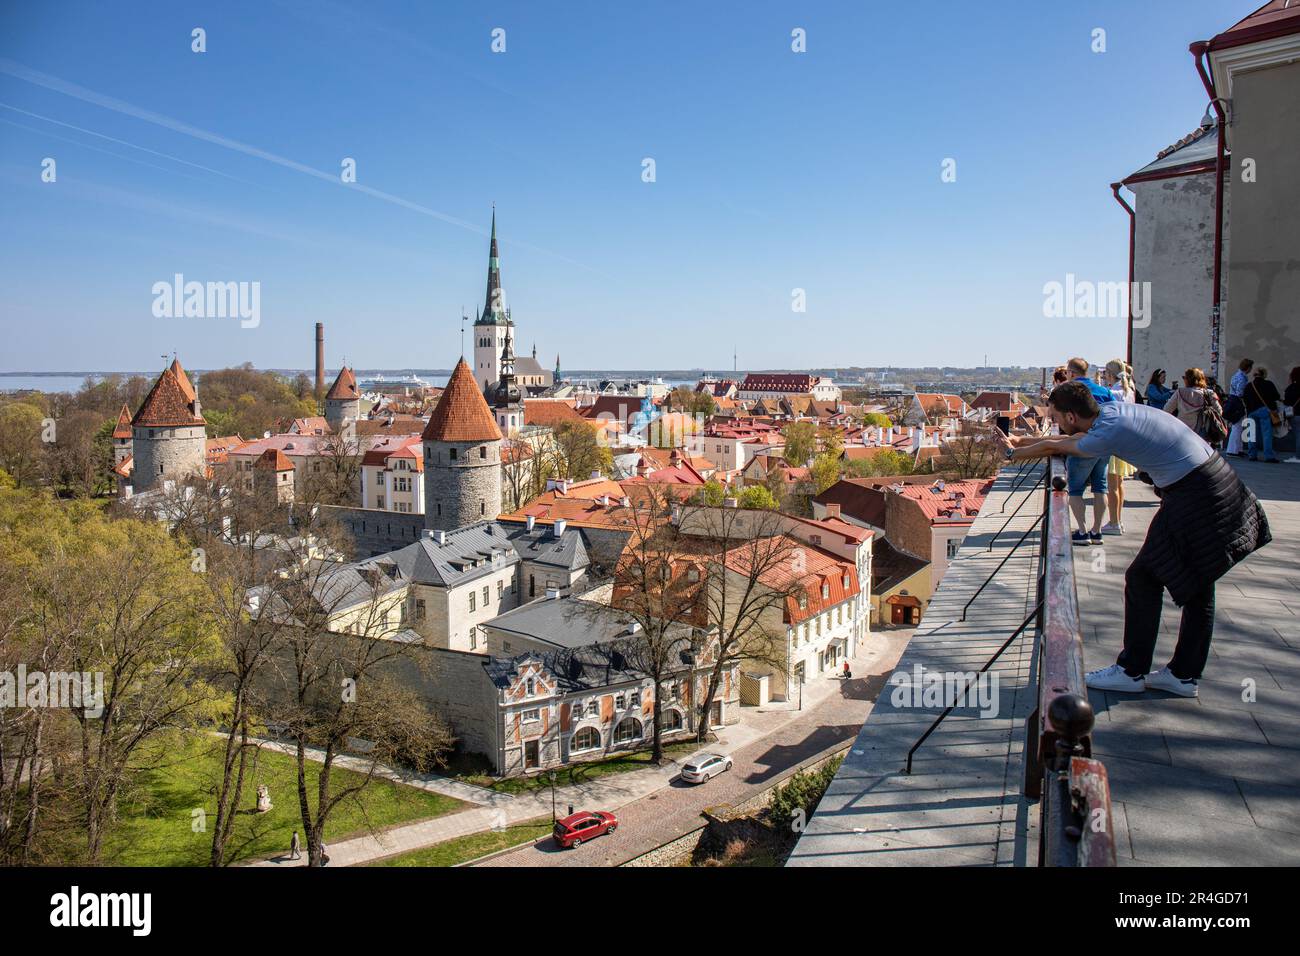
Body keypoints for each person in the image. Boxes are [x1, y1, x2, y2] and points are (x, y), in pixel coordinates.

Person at [994, 381, 1270, 698]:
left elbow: (1060, 446)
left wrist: (1015, 452)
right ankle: (1182, 675)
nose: (1056, 422)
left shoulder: (1106, 432)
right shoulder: (1111, 413)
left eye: (1056, 416)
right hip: (1215, 480)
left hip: (1196, 493)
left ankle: (1131, 670)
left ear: (1071, 416)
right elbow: (1063, 439)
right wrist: (1021, 440)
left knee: (1143, 577)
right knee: (1198, 584)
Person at [1064, 358, 1114, 545]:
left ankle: (1083, 532)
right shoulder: (1104, 390)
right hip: (1104, 443)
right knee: (1101, 488)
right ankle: (1097, 531)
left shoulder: (1071, 391)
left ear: (1072, 373)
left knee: (1075, 489)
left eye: (1068, 372)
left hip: (1082, 442)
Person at [1099, 359, 1136, 535]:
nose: (1104, 375)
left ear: (1110, 374)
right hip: (1126, 440)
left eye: (1105, 372)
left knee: (1111, 485)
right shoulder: (1128, 391)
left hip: (1113, 440)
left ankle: (1113, 522)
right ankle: (1118, 521)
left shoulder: (1112, 392)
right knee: (1119, 484)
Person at [1165, 367, 1223, 438]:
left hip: (1181, 430)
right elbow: (1219, 411)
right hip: (1201, 432)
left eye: (1184, 377)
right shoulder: (1209, 394)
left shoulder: (1179, 392)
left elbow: (1166, 410)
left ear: (1188, 380)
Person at [1244, 366, 1282, 463]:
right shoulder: (1268, 384)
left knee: (1251, 434)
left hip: (1251, 412)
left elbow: (1245, 399)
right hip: (1264, 411)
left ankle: (1252, 455)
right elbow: (1276, 396)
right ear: (1264, 374)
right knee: (1266, 434)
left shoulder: (1249, 386)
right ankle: (1268, 456)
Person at [1226, 358, 1253, 456]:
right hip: (1238, 402)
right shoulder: (1243, 377)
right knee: (1237, 426)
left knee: (1236, 426)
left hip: (1233, 401)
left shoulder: (1235, 375)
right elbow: (1240, 392)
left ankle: (1237, 449)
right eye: (1250, 367)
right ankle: (1233, 450)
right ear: (1248, 367)